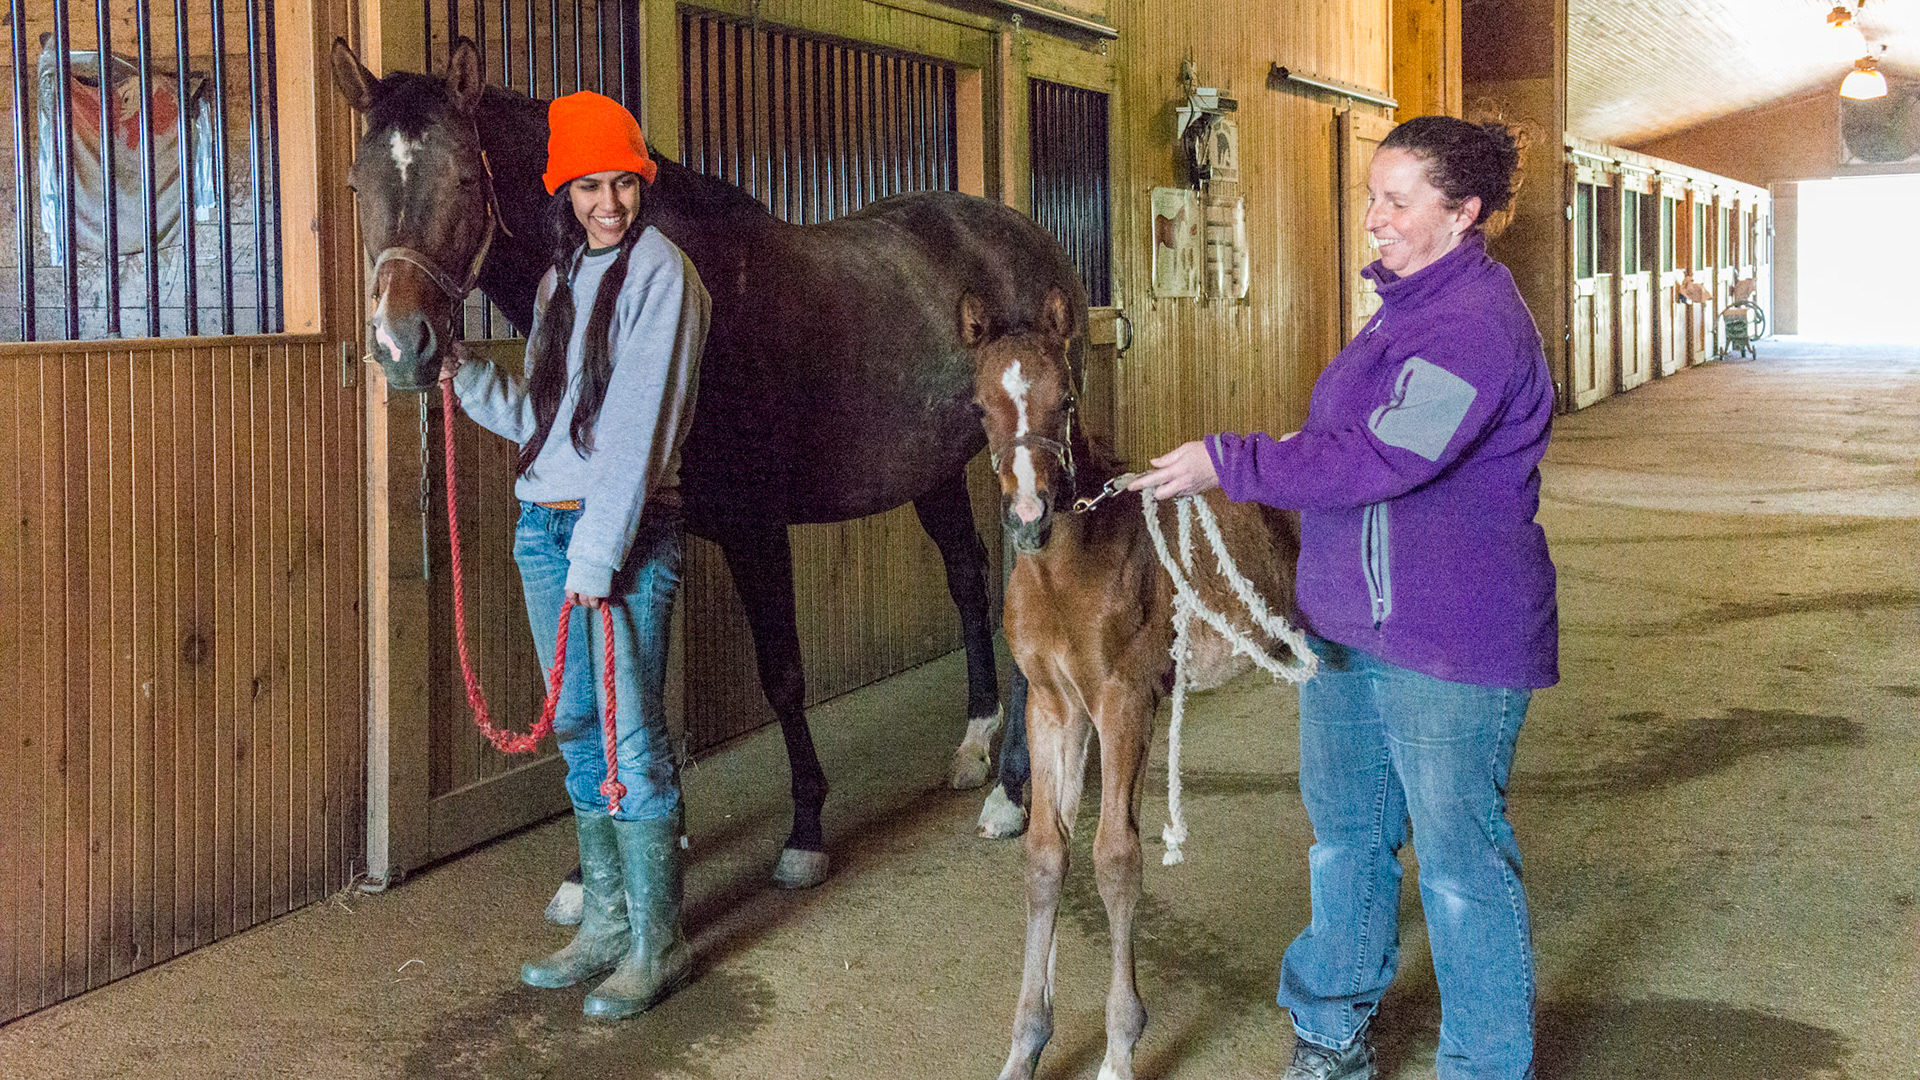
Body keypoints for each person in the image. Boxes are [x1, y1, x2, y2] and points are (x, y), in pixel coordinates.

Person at [1130, 116, 1557, 1080]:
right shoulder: (1401, 310)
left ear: (1464, 213)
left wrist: (1228, 462)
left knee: (1459, 865)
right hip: (1346, 629)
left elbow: (1380, 456)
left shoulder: (1475, 326)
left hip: (1448, 641)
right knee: (1347, 841)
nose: (1374, 217)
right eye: (1371, 195)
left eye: (1397, 201)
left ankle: (1485, 1065)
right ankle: (1329, 1032)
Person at [440, 90, 711, 1020]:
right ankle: (604, 923)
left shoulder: (663, 277)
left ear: (644, 184)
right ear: (564, 194)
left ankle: (656, 941)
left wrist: (598, 558)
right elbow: (550, 425)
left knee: (632, 739)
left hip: (618, 538)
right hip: (544, 529)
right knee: (577, 732)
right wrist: (465, 380)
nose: (607, 202)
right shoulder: (561, 283)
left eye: (622, 183)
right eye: (589, 185)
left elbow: (636, 433)